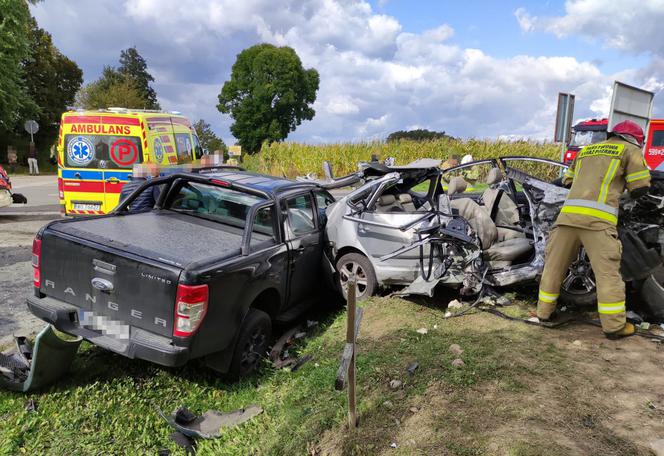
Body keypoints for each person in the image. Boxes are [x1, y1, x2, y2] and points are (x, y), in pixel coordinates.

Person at [536, 120, 651, 339]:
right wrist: (623, 196)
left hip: (567, 218)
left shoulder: (586, 150)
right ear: (636, 139)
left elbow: (568, 181)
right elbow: (641, 185)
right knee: (607, 274)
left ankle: (544, 313)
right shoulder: (630, 150)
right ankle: (614, 326)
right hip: (598, 222)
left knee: (553, 267)